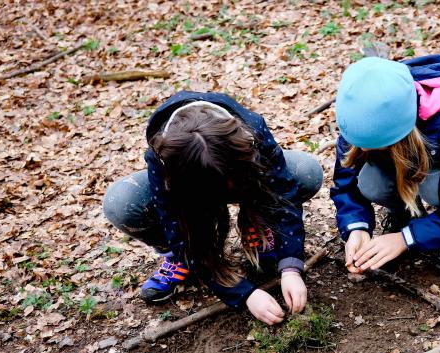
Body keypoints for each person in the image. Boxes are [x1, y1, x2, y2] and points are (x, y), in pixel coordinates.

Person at [103, 91, 323, 325]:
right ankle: (179, 259)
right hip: (191, 190)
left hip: (247, 175)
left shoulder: (252, 132)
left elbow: (284, 195)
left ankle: (259, 225)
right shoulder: (164, 158)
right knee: (122, 202)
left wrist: (291, 265)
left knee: (305, 171)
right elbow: (174, 221)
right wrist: (244, 294)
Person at [330, 55, 440, 275]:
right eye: (360, 143)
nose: (363, 150)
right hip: (405, 153)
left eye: (372, 144)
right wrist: (356, 227)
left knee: (434, 190)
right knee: (370, 182)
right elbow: (345, 182)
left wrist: (405, 239)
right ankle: (407, 213)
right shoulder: (359, 117)